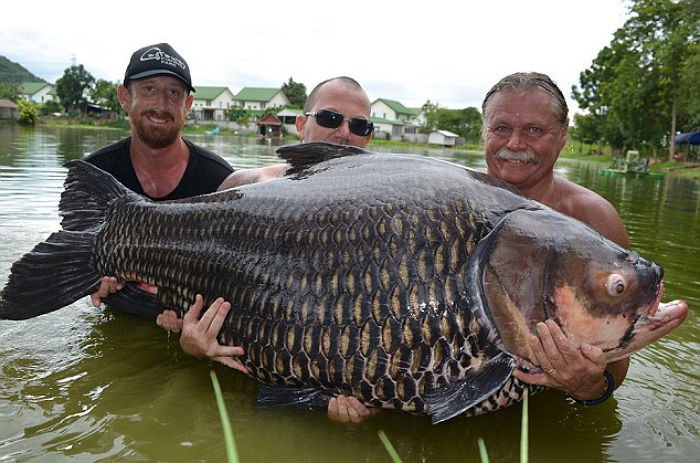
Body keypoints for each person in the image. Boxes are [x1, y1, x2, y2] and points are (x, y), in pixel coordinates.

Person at [94, 76, 376, 423]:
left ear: (369, 137)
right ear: (302, 124)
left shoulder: (383, 217)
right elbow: (189, 293)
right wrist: (186, 335)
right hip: (228, 382)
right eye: (331, 119)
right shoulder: (246, 185)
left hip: (303, 382)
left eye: (360, 125)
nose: (345, 133)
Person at [480, 71, 630, 403]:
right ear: (484, 132)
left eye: (534, 130)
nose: (515, 144)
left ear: (563, 136)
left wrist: (591, 387)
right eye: (502, 128)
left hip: (544, 406)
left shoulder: (593, 218)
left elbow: (618, 360)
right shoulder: (449, 207)